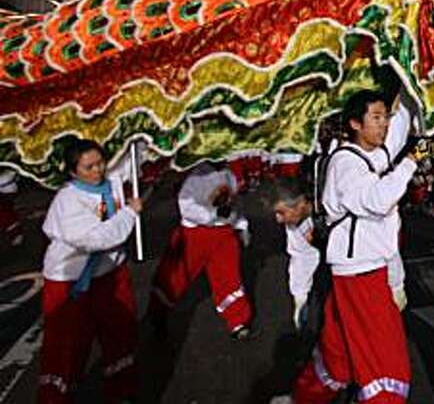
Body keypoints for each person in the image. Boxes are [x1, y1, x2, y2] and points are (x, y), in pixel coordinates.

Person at [285, 90, 420, 403]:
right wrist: (410, 164)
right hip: (361, 274)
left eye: (386, 116)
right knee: (385, 361)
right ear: (355, 124)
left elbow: (399, 127)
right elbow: (376, 200)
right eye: (376, 118)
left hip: (366, 270)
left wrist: (410, 84)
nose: (384, 124)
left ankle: (305, 397)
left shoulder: (375, 152)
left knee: (338, 351)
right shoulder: (346, 163)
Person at [38, 139, 142, 403]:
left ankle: (122, 392)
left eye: (100, 163)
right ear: (73, 172)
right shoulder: (67, 200)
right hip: (71, 281)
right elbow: (94, 238)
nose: (97, 171)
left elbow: (134, 157)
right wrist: (129, 213)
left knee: (120, 333)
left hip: (110, 274)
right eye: (88, 167)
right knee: (66, 347)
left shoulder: (111, 180)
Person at [148, 160, 254, 339]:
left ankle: (238, 319)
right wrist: (212, 215)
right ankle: (158, 313)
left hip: (224, 234)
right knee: (177, 275)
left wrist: (241, 225)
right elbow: (186, 205)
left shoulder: (231, 172)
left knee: (228, 275)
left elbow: (236, 203)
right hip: (195, 234)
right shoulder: (197, 175)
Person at [270, 178, 320, 331]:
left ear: (302, 204)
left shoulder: (328, 213)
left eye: (282, 213)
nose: (278, 220)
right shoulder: (294, 224)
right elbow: (299, 258)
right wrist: (300, 296)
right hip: (308, 284)